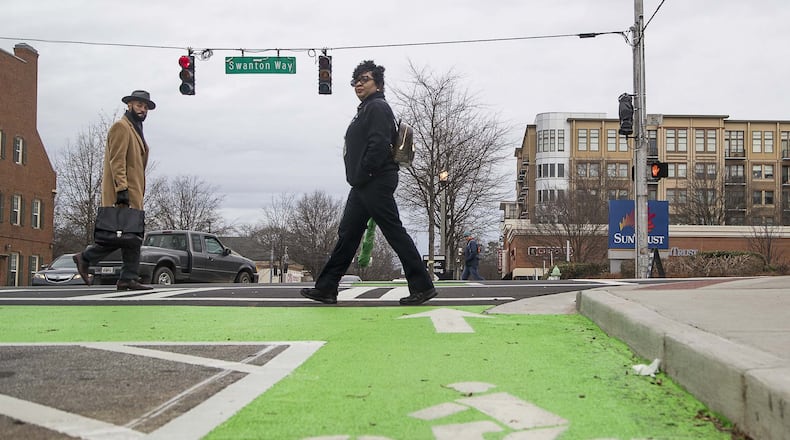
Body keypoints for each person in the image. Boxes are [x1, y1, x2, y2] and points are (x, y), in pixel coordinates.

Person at [301, 60, 436, 305]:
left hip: (375, 180)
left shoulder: (377, 108)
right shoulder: (366, 108)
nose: (358, 84)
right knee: (348, 235)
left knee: (394, 232)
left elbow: (377, 144)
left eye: (364, 79)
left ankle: (423, 286)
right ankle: (327, 288)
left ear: (378, 83)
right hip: (365, 183)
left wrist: (363, 173)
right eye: (355, 81)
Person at [72, 90, 155, 291]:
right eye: (138, 105)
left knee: (132, 237)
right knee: (121, 235)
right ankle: (85, 257)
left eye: (145, 107)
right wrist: (121, 189)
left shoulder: (135, 129)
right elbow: (117, 160)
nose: (142, 109)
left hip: (134, 192)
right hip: (123, 192)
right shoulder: (121, 127)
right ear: (129, 106)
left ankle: (128, 278)